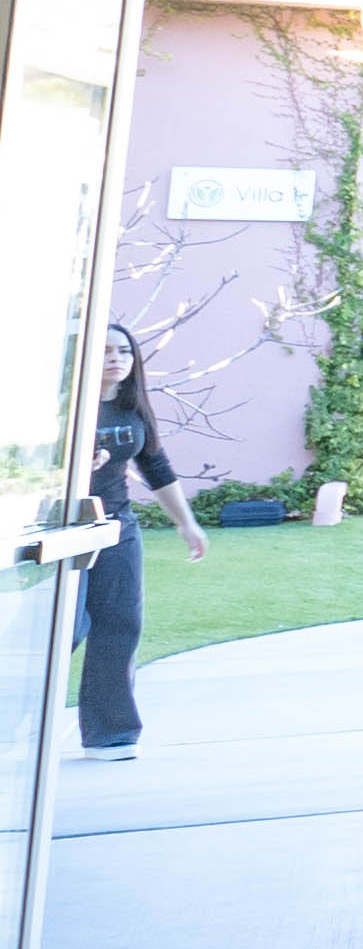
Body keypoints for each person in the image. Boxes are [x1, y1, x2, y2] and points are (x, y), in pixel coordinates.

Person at [75, 323, 205, 760]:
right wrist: (79, 466)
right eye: (106, 350)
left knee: (120, 626)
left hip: (116, 530)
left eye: (125, 351)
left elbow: (157, 467)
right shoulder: (68, 407)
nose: (116, 358)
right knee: (65, 630)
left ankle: (110, 736)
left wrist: (186, 524)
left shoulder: (134, 409)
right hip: (65, 530)